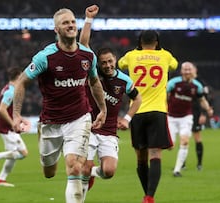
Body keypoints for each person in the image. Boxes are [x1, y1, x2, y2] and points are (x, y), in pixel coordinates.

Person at [12, 5, 107, 203]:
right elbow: (21, 81)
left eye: (73, 22)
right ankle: (46, 152)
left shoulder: (87, 56)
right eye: (65, 23)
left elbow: (95, 81)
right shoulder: (45, 57)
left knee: (74, 166)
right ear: (56, 29)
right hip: (51, 121)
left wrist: (103, 108)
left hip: (79, 118)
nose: (71, 25)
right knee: (49, 171)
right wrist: (16, 114)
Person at [78, 5, 142, 202]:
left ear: (115, 60)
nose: (107, 65)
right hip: (89, 128)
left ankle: (94, 174)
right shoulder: (93, 71)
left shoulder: (125, 80)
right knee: (85, 169)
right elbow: (83, 44)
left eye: (110, 61)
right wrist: (88, 19)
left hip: (109, 132)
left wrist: (128, 118)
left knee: (109, 171)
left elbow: (137, 98)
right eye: (104, 62)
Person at [117, 30, 178, 203]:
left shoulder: (131, 55)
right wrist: (159, 52)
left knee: (141, 158)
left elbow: (120, 65)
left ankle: (147, 194)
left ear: (140, 41)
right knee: (155, 155)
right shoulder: (165, 55)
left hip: (136, 111)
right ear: (157, 42)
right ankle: (149, 196)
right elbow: (174, 65)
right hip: (158, 111)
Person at [167, 61, 213, 177]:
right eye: (185, 69)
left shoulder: (197, 86)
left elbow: (202, 100)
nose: (187, 71)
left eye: (189, 69)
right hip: (171, 117)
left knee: (185, 141)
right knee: (170, 145)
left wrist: (208, 109)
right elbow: (164, 96)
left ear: (193, 71)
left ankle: (177, 170)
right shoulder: (173, 83)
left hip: (186, 117)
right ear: (181, 71)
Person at [0, 67, 30, 187]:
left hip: (7, 128)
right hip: (8, 129)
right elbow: (1, 110)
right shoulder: (11, 91)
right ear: (18, 77)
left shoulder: (7, 88)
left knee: (13, 155)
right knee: (23, 153)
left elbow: (9, 109)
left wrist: (19, 118)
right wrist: (12, 124)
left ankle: (1, 179)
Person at [188, 64, 213, 171]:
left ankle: (199, 164)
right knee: (184, 138)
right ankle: (182, 164)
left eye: (190, 69)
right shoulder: (183, 81)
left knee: (197, 137)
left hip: (196, 112)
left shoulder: (200, 83)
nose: (188, 71)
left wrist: (203, 113)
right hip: (184, 112)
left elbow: (206, 98)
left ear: (195, 70)